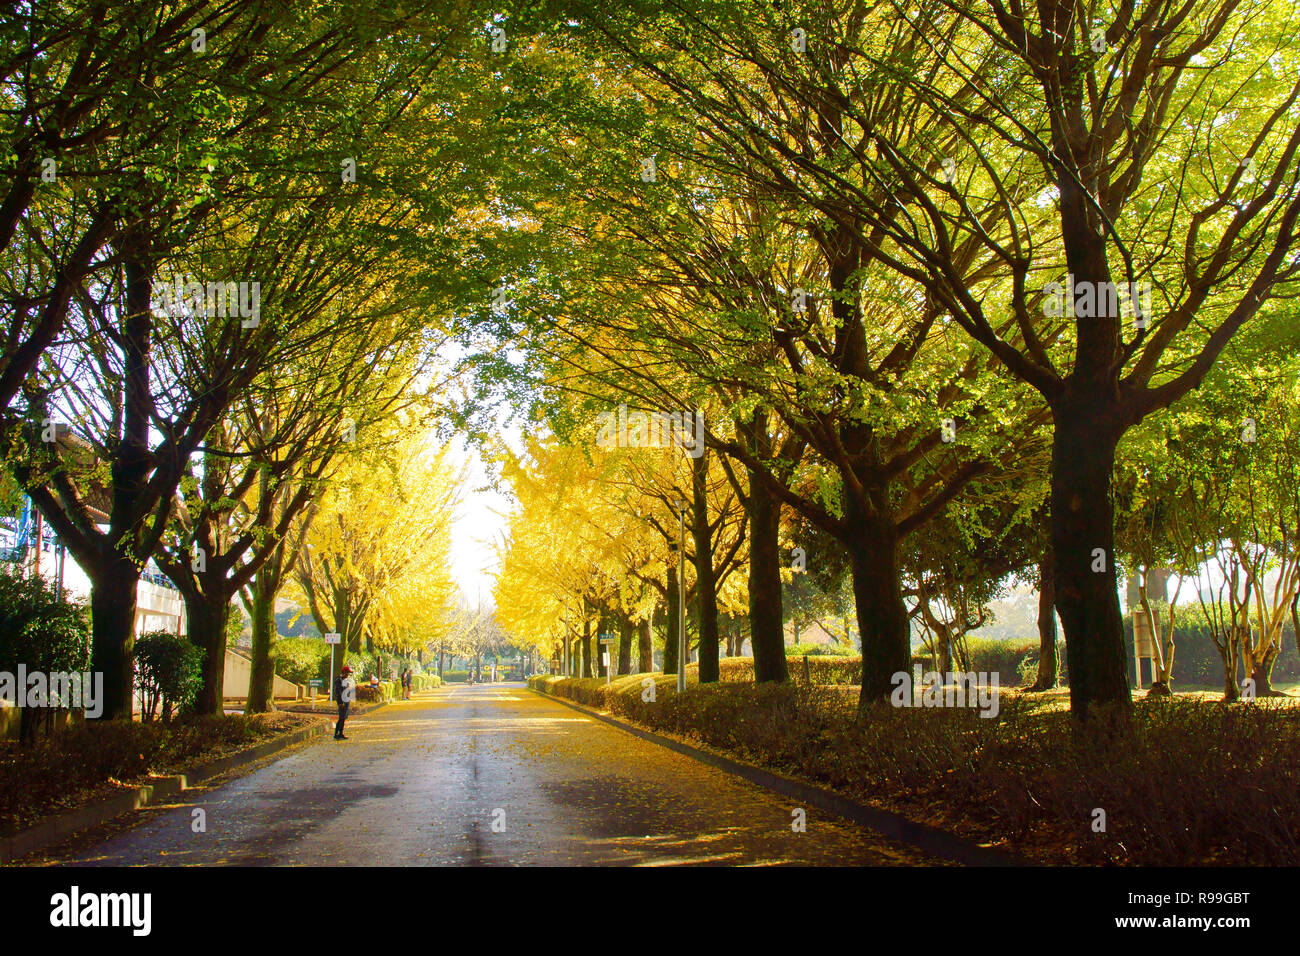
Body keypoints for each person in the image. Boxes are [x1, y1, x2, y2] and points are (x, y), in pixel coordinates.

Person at [334, 665, 355, 740]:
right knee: (341, 717)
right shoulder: (339, 680)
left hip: (346, 701)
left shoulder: (345, 680)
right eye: (347, 673)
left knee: (343, 718)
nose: (348, 675)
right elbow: (338, 692)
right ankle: (337, 733)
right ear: (344, 672)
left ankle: (340, 733)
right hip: (342, 702)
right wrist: (340, 703)